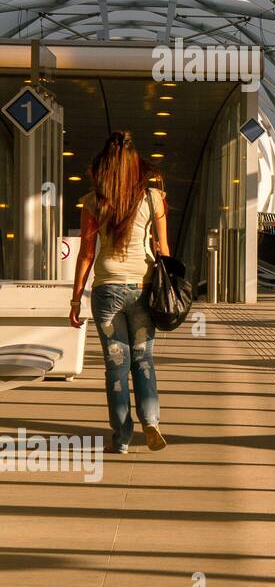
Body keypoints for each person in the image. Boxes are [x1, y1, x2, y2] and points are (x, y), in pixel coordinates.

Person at [69, 131, 170, 454]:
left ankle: (122, 437)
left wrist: (75, 299)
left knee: (116, 364)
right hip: (142, 286)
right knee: (144, 359)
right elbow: (165, 249)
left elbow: (86, 253)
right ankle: (151, 420)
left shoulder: (93, 199)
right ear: (134, 164)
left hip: (106, 290)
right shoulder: (153, 198)